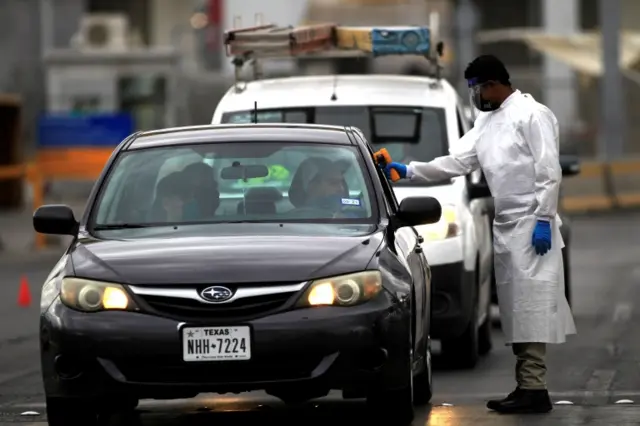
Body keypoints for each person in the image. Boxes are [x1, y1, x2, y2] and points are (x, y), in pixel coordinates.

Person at [379, 55, 577, 414]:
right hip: (506, 223)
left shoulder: (534, 116)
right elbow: (457, 162)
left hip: (533, 224)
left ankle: (534, 387)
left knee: (530, 306)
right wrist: (409, 171)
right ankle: (527, 386)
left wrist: (545, 218)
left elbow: (549, 172)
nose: (475, 96)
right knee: (516, 308)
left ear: (493, 84)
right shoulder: (487, 121)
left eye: (477, 89)